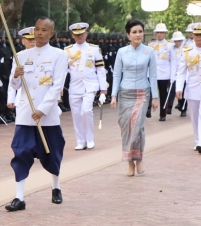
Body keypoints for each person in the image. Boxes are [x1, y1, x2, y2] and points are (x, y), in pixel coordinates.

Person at [5, 18, 67, 212]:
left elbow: (57, 86)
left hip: (47, 115)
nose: (40, 33)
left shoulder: (59, 55)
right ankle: (19, 197)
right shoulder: (22, 55)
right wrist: (16, 75)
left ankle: (55, 187)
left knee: (52, 152)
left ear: (52, 34)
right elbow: (14, 86)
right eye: (37, 29)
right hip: (25, 113)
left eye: (44, 30)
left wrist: (43, 109)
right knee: (21, 152)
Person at [111, 19, 159, 176]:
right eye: (134, 32)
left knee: (137, 126)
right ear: (128, 35)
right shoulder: (122, 52)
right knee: (126, 128)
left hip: (142, 93)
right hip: (125, 93)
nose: (138, 34)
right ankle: (130, 162)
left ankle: (139, 159)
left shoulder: (149, 51)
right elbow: (117, 74)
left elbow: (152, 75)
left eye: (140, 31)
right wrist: (113, 95)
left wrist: (155, 96)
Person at [65, 22, 108, 150]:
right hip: (75, 86)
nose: (79, 37)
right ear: (73, 35)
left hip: (90, 85)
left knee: (86, 111)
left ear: (86, 34)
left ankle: (90, 139)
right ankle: (80, 141)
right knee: (76, 114)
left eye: (82, 34)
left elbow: (100, 69)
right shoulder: (67, 51)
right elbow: (62, 70)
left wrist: (103, 89)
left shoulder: (94, 49)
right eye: (77, 35)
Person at [176, 24, 201, 153]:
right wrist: (178, 88)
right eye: (197, 35)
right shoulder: (187, 51)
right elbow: (181, 72)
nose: (199, 38)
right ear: (193, 36)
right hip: (192, 87)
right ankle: (197, 141)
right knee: (194, 115)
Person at [148, 23, 176, 121]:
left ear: (165, 33)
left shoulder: (170, 45)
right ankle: (148, 109)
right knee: (150, 91)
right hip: (152, 72)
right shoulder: (151, 44)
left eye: (161, 32)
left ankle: (162, 114)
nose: (159, 34)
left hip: (164, 73)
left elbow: (173, 61)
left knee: (163, 94)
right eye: (157, 32)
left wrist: (173, 75)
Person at [7, 27, 35, 110]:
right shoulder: (19, 56)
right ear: (23, 41)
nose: (32, 41)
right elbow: (13, 76)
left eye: (34, 39)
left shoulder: (46, 55)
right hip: (23, 96)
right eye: (29, 39)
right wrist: (11, 98)